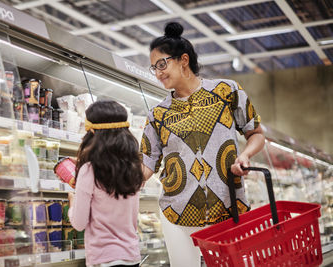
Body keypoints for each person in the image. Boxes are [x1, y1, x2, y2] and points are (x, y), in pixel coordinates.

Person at [140, 22, 265, 267]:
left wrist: (246, 156)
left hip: (228, 208)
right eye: (153, 67)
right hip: (176, 213)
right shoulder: (157, 114)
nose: (157, 73)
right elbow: (145, 166)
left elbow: (257, 134)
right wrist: (109, 175)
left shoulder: (227, 91)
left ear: (183, 60)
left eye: (162, 64)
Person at [68, 100, 144, 267]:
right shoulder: (133, 168)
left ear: (94, 132)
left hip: (104, 259)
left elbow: (79, 224)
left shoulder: (89, 170)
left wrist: (72, 204)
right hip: (132, 257)